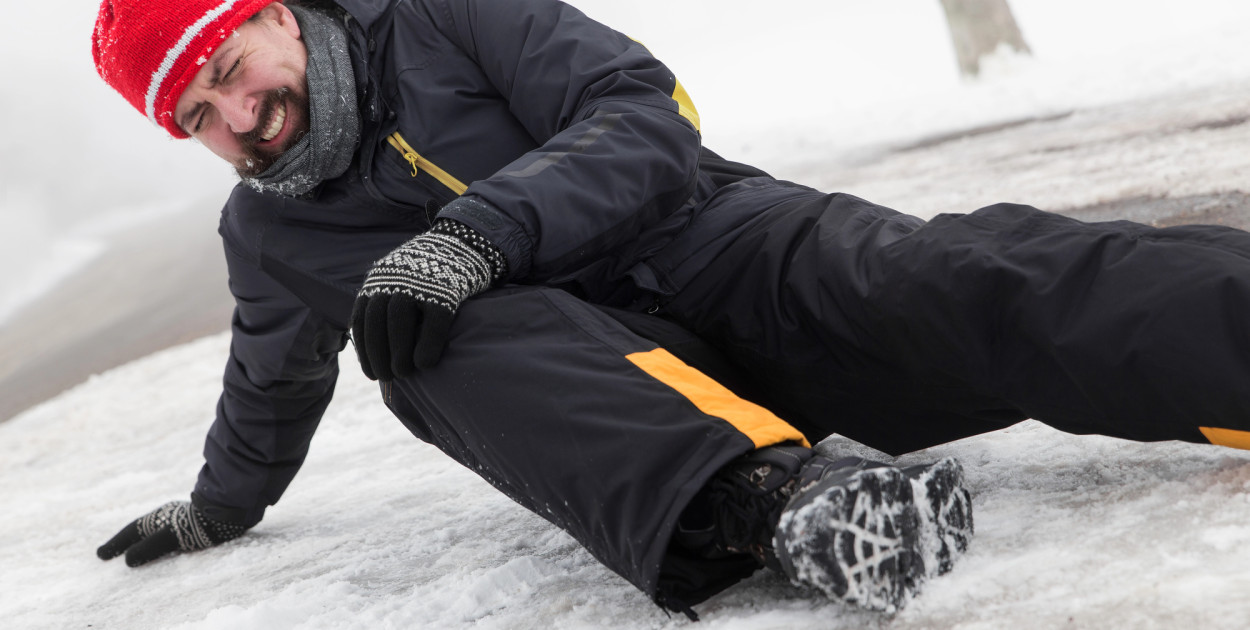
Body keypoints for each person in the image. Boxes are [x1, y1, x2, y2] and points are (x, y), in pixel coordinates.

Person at [90, 0, 1250, 619]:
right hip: (616, 416)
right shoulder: (269, 234)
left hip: (727, 247)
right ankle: (783, 509)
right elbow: (272, 374)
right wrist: (215, 509)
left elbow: (642, 111)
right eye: (196, 115)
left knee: (962, 279)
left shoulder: (443, 16)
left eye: (230, 68)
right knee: (420, 341)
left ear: (281, 18)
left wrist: (476, 230)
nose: (238, 119)